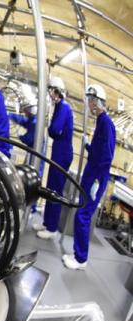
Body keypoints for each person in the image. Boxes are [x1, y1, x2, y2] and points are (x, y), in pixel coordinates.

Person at [63, 84, 116, 270]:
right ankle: (78, 253)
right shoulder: (100, 122)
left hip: (95, 178)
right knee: (81, 214)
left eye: (92, 101)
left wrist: (95, 181)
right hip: (91, 175)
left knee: (82, 216)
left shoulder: (106, 123)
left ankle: (81, 259)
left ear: (98, 102)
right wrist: (87, 146)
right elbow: (97, 152)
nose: (90, 105)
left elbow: (107, 156)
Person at [35, 76, 74, 239]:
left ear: (57, 91)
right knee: (51, 188)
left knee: (55, 190)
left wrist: (51, 128)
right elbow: (53, 131)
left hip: (62, 153)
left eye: (51, 91)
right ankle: (46, 222)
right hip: (59, 151)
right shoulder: (59, 107)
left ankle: (51, 228)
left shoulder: (64, 107)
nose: (50, 95)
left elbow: (54, 129)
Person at [9, 99, 45, 212]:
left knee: (33, 178)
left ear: (30, 109)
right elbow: (23, 121)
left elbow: (29, 139)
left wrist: (20, 137)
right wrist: (11, 116)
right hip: (33, 151)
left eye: (25, 109)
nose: (24, 112)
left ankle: (31, 207)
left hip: (36, 154)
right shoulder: (32, 119)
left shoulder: (35, 123)